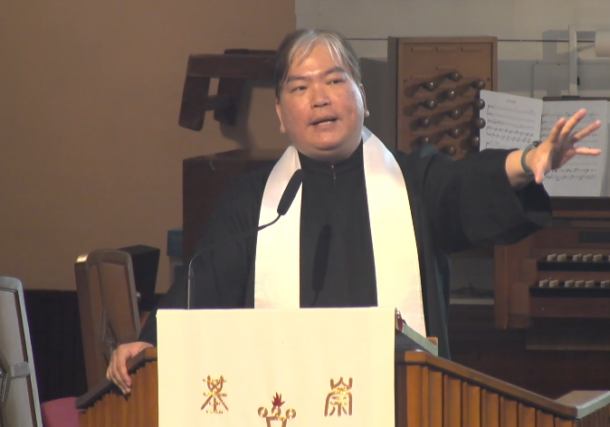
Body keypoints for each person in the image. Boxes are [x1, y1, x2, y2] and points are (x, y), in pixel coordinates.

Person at [107, 29, 601, 394]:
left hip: (407, 404)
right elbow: (202, 287)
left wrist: (526, 161)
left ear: (363, 99)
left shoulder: (412, 182)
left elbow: (467, 186)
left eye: (334, 80)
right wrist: (149, 342)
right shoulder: (254, 202)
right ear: (280, 115)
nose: (319, 98)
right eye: (299, 88)